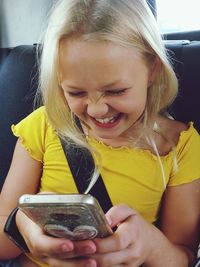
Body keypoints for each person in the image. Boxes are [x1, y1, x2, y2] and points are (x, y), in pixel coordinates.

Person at [0, 0, 199, 266]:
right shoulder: (44, 126)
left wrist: (150, 246)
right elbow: (3, 241)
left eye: (116, 91)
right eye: (76, 92)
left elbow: (183, 256)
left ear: (152, 69)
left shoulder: (179, 146)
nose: (96, 109)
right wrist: (23, 225)